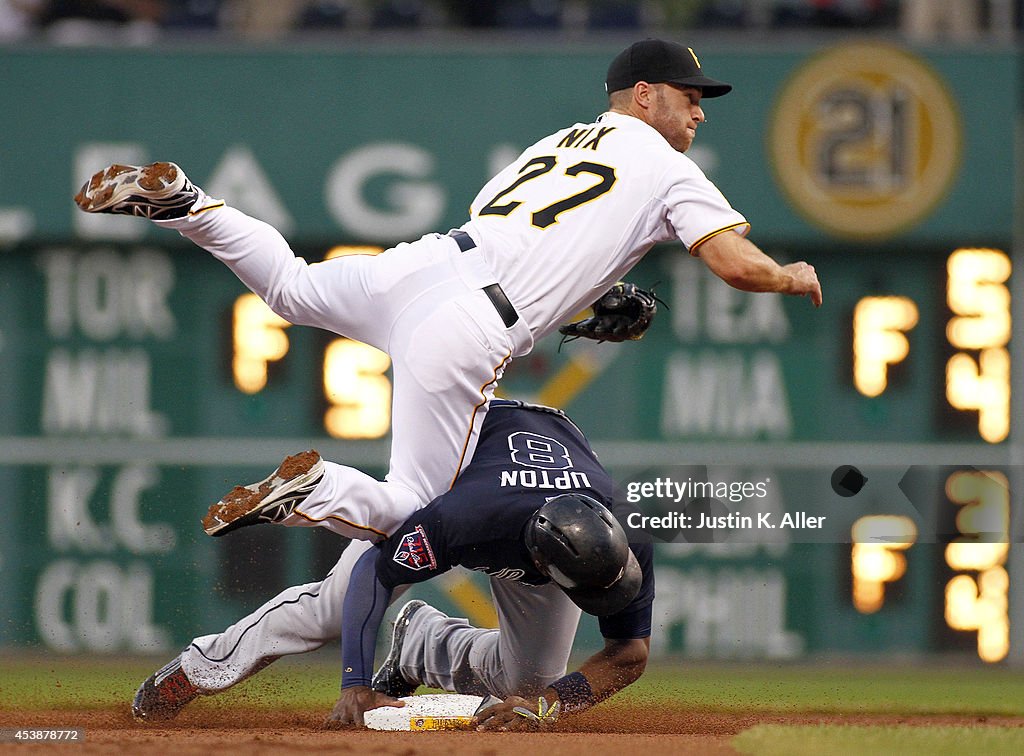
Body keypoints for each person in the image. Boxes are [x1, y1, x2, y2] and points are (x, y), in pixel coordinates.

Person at [75, 38, 822, 546]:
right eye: (690, 96)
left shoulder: (555, 142)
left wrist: (587, 297)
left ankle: (190, 206)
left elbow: (515, 226)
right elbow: (733, 263)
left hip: (425, 264)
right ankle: (319, 488)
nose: (698, 110)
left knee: (292, 287)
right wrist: (790, 275)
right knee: (420, 507)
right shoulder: (669, 168)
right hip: (472, 322)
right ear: (646, 94)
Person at [130, 399, 653, 731]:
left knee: (524, 685)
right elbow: (376, 573)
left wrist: (549, 703)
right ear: (539, 562)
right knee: (333, 612)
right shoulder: (463, 518)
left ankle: (420, 645)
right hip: (461, 462)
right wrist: (353, 682)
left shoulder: (627, 529)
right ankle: (200, 668)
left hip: (533, 453)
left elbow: (629, 652)